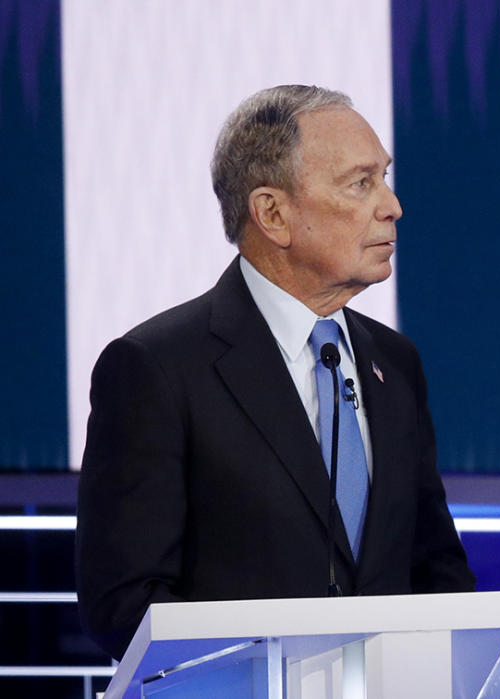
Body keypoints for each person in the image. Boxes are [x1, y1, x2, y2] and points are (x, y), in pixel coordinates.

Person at [76, 85, 475, 660]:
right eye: (360, 183)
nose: (392, 206)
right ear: (273, 214)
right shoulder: (156, 369)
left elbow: (435, 568)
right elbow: (123, 605)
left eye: (384, 178)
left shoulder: (395, 363)